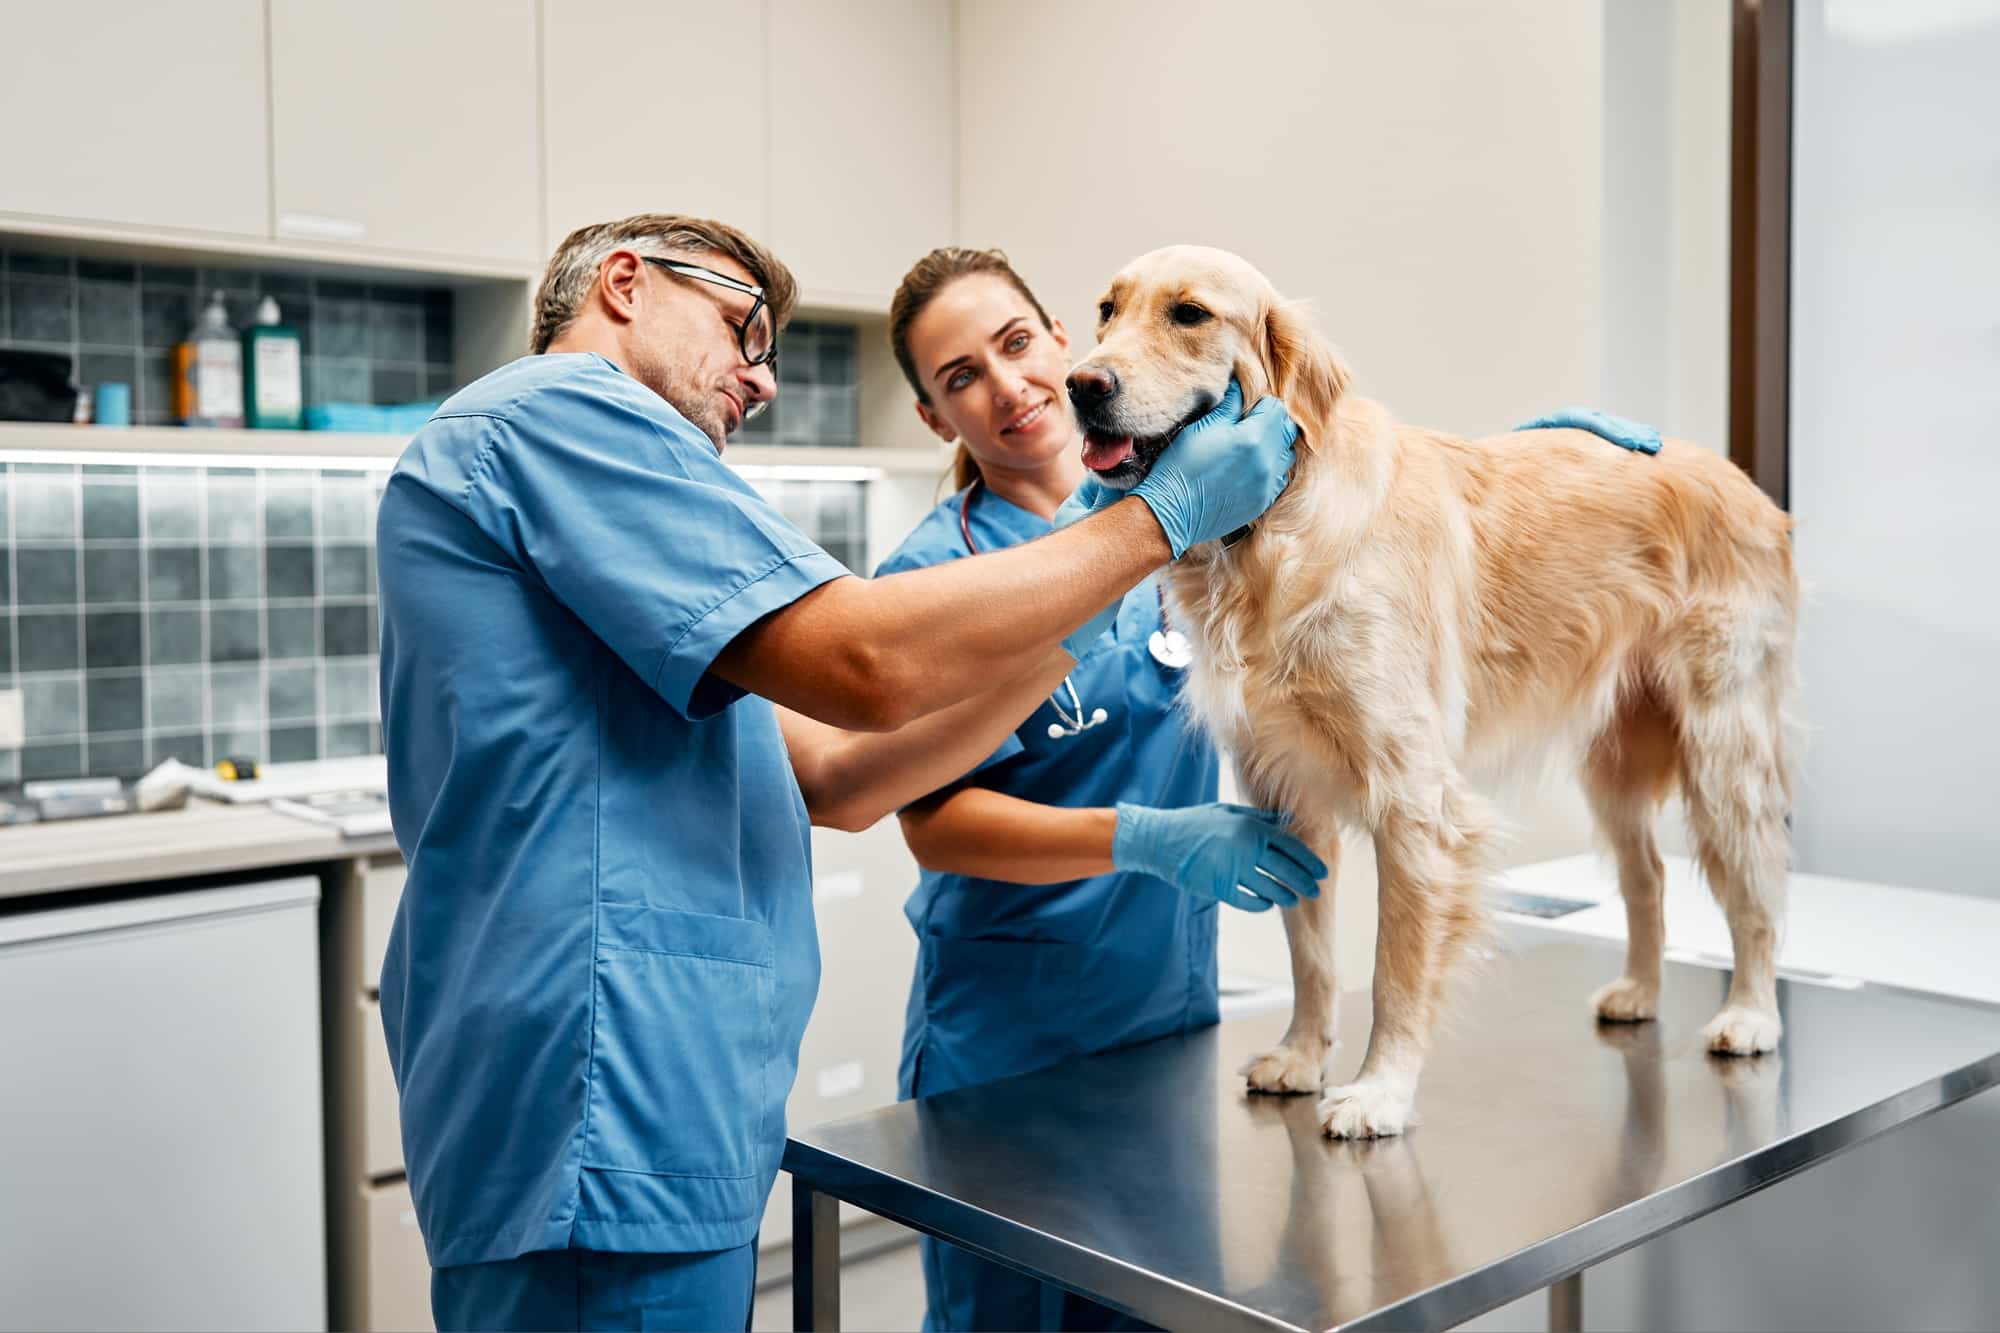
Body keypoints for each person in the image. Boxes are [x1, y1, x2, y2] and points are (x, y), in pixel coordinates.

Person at [373, 214, 1307, 1333]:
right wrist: (1157, 522)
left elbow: (831, 770)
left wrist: (1108, 560)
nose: (760, 381)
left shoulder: (619, 481)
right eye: (741, 329)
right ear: (624, 282)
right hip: (605, 1101)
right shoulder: (565, 415)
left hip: (664, 1104)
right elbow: (865, 661)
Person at [872, 247, 1322, 1332]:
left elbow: (1357, 509)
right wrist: (1143, 837)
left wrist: (1540, 463)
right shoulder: (933, 577)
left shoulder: (1187, 529)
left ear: (1067, 342)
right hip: (1008, 1050)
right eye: (959, 377)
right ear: (936, 419)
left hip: (1164, 1029)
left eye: (1017, 343)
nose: (1007, 385)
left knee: (1157, 1312)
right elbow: (930, 826)